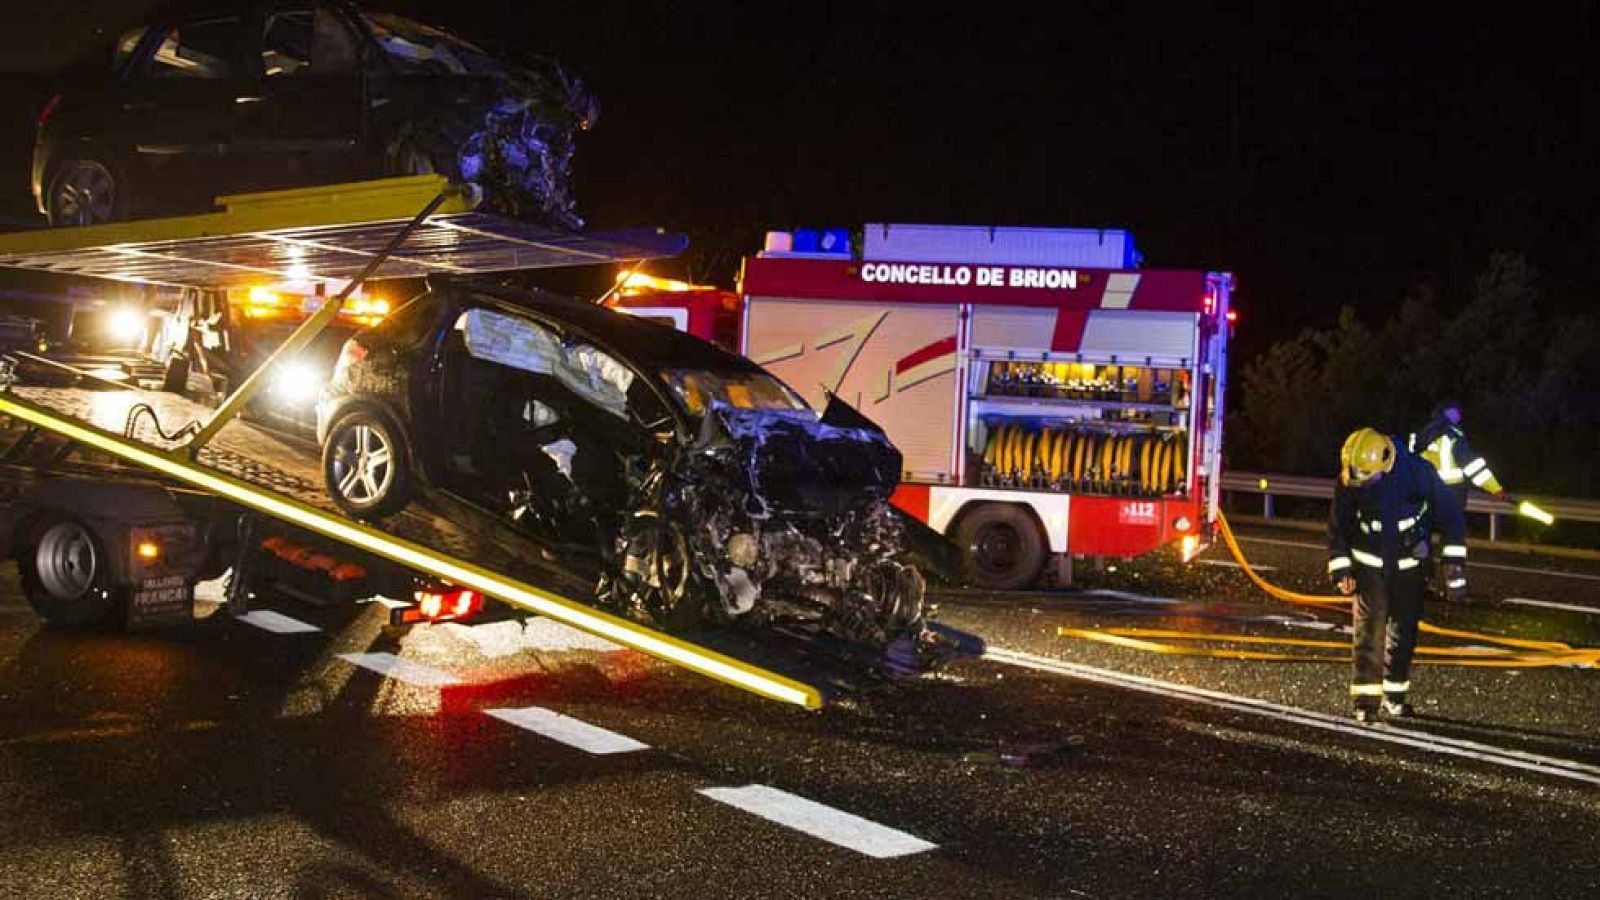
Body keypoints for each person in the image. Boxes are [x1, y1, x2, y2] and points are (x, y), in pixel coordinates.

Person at [1328, 427, 1469, 723]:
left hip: (1409, 569)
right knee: (1370, 632)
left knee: (1404, 634)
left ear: (1385, 459)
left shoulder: (1419, 474)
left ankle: (1395, 695)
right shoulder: (1355, 474)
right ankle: (1365, 702)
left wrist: (1453, 566)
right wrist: (1341, 568)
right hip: (1368, 566)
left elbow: (1451, 516)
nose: (1360, 482)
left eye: (1367, 475)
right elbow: (1338, 525)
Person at [1408, 399, 1511, 510]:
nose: (1459, 417)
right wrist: (1495, 489)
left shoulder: (1419, 436)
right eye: (1456, 413)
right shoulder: (1453, 436)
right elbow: (1473, 467)